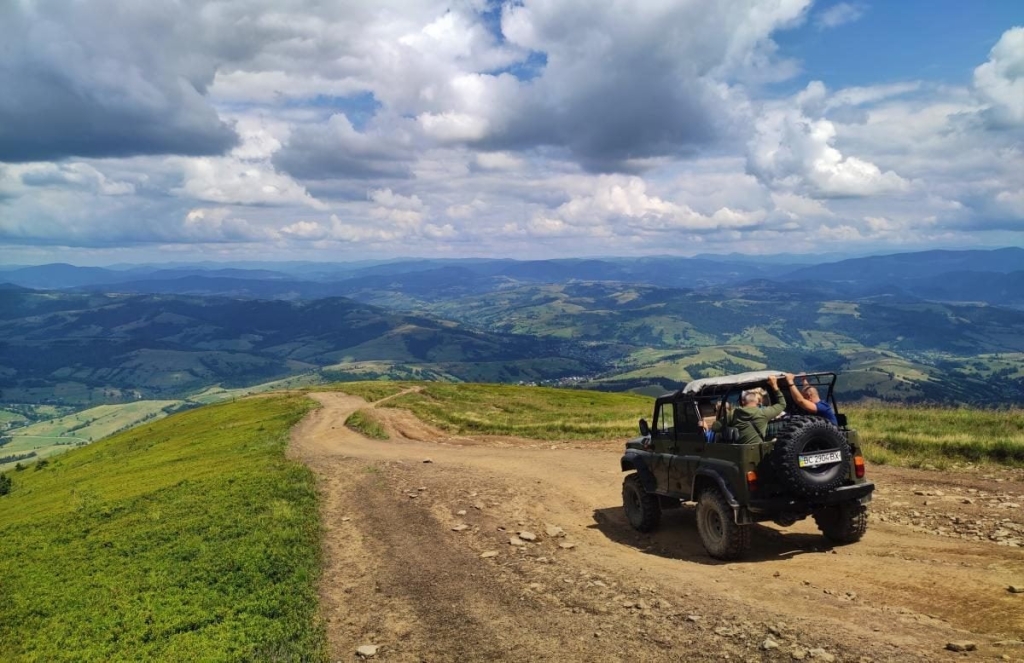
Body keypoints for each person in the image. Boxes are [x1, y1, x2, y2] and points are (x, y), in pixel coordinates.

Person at [708, 375, 787, 444]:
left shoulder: (733, 414)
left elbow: (715, 427)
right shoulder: (764, 413)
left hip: (738, 452)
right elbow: (782, 404)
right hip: (759, 451)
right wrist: (774, 386)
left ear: (743, 402)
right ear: (759, 402)